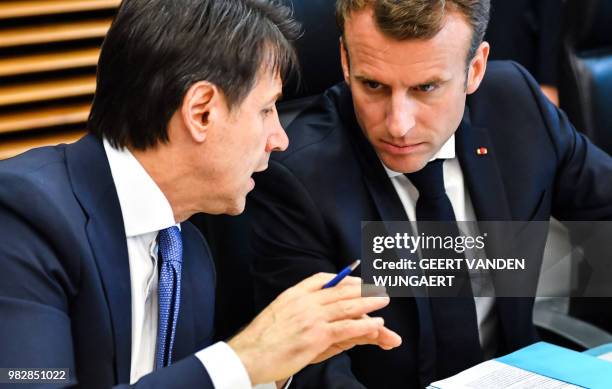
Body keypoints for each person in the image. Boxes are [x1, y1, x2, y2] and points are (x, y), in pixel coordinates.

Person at [0, 1, 402, 388]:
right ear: (201, 112)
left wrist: (273, 370)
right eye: (266, 110)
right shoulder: (22, 217)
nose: (280, 139)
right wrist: (244, 358)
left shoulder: (188, 252)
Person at [248, 0, 612, 387]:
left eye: (426, 88)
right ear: (345, 59)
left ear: (475, 69)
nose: (398, 125)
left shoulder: (516, 105)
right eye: (373, 85)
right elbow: (309, 365)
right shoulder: (298, 176)